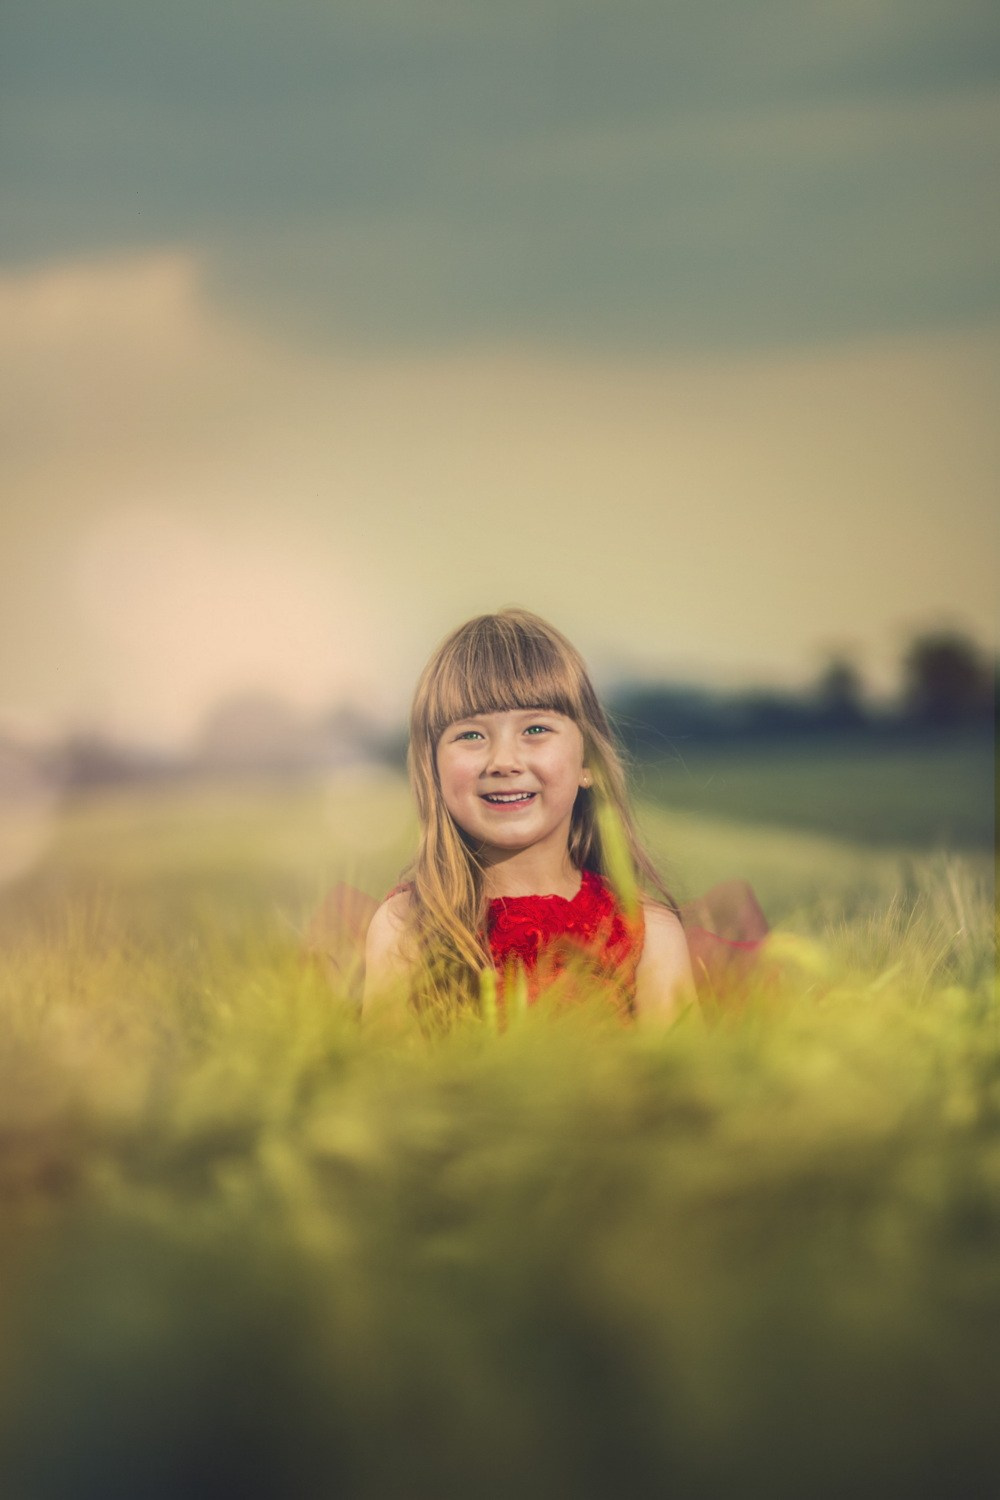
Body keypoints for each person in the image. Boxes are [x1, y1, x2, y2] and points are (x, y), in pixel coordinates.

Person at [359, 608, 731, 1029]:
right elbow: (384, 1071)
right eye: (471, 735)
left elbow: (679, 1072)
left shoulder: (648, 934)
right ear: (433, 771)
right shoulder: (406, 928)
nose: (504, 761)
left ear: (588, 761)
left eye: (535, 730)